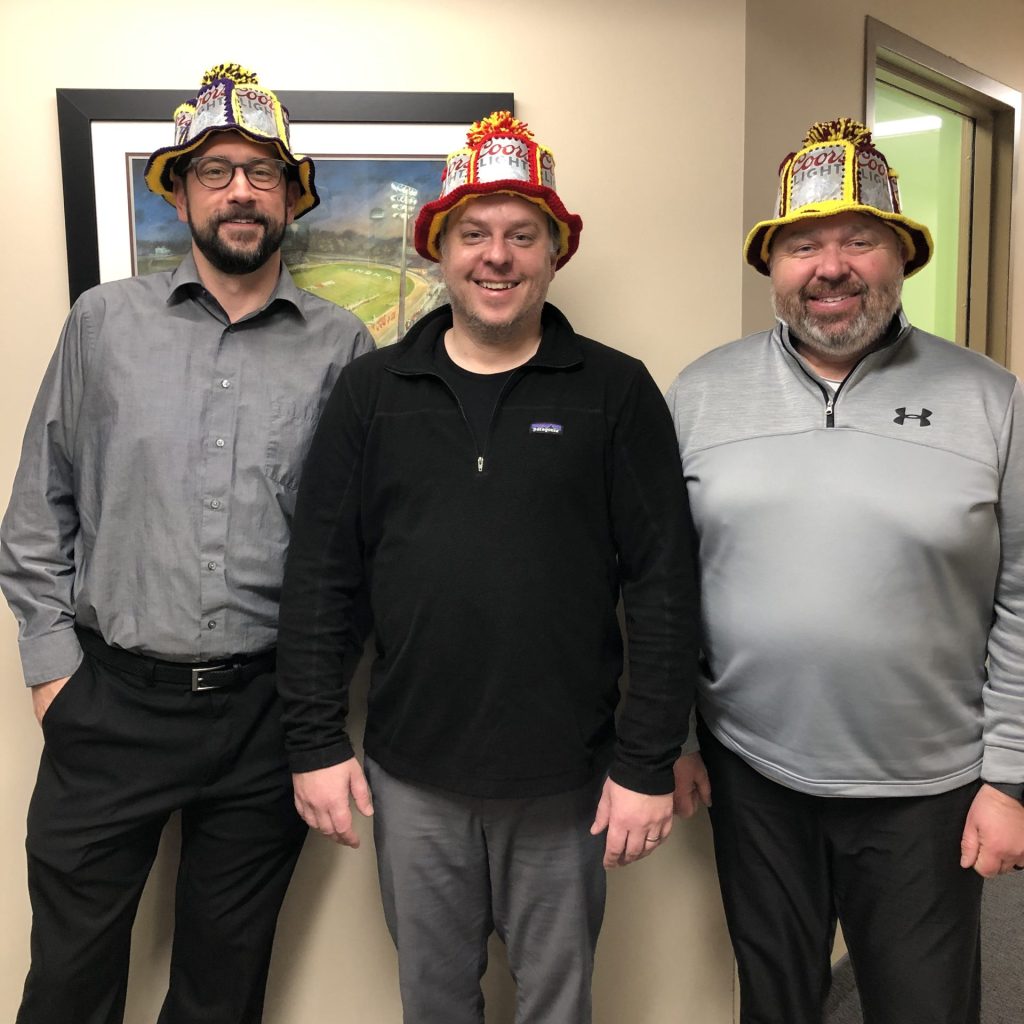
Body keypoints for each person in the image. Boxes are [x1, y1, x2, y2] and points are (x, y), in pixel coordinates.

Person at [275, 111, 700, 1023]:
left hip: (571, 777)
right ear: (439, 248)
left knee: (556, 1001)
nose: (497, 257)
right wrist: (313, 739)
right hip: (411, 772)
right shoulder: (372, 393)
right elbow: (321, 579)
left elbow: (664, 587)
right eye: (474, 234)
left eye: (521, 235)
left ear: (555, 254)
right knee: (434, 1000)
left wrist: (647, 761)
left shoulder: (616, 391)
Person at [0, 63, 373, 1024]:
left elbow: (358, 551)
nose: (240, 191)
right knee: (69, 985)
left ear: (293, 196)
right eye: (215, 171)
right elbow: (39, 515)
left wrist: (317, 705)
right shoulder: (102, 324)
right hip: (107, 704)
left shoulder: (344, 350)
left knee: (222, 990)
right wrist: (54, 677)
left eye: (262, 172)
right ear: (179, 191)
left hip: (264, 717)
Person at [667, 118, 1024, 1024]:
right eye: (803, 245)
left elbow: (1021, 595)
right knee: (776, 1003)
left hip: (930, 789)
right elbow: (664, 583)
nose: (831, 267)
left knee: (924, 1007)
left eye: (859, 240)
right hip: (752, 769)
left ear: (901, 257)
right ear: (773, 265)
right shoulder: (700, 392)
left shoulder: (991, 399)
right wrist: (670, 739)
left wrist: (1009, 779)